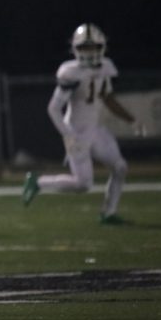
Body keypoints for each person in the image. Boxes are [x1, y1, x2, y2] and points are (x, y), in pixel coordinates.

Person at [21, 24, 138, 224]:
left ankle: (108, 213)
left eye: (92, 47)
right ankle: (38, 181)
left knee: (120, 167)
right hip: (76, 131)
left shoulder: (106, 67)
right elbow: (53, 108)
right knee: (83, 184)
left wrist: (132, 119)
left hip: (95, 129)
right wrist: (68, 135)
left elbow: (107, 98)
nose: (89, 52)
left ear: (101, 47)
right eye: (84, 47)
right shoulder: (71, 72)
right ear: (76, 49)